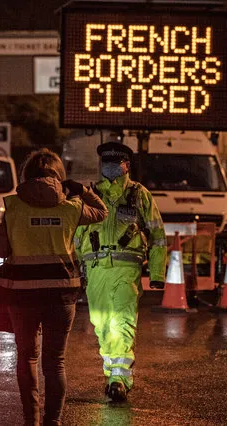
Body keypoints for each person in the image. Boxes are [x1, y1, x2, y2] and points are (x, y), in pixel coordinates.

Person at [0, 148, 107, 426]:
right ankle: (52, 422)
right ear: (59, 177)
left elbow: (0, 249)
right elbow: (103, 212)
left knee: (27, 358)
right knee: (55, 362)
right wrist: (82, 190)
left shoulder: (13, 206)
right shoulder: (72, 208)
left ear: (26, 175)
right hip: (61, 293)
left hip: (21, 294)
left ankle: (30, 420)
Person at [74, 141, 167, 402]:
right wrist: (73, 269)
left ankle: (119, 378)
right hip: (96, 270)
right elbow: (76, 234)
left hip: (127, 269)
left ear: (127, 165)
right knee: (102, 325)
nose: (111, 167)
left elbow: (157, 235)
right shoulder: (90, 196)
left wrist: (157, 274)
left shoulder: (140, 194)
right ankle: (113, 373)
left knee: (122, 322)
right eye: (107, 163)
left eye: (116, 163)